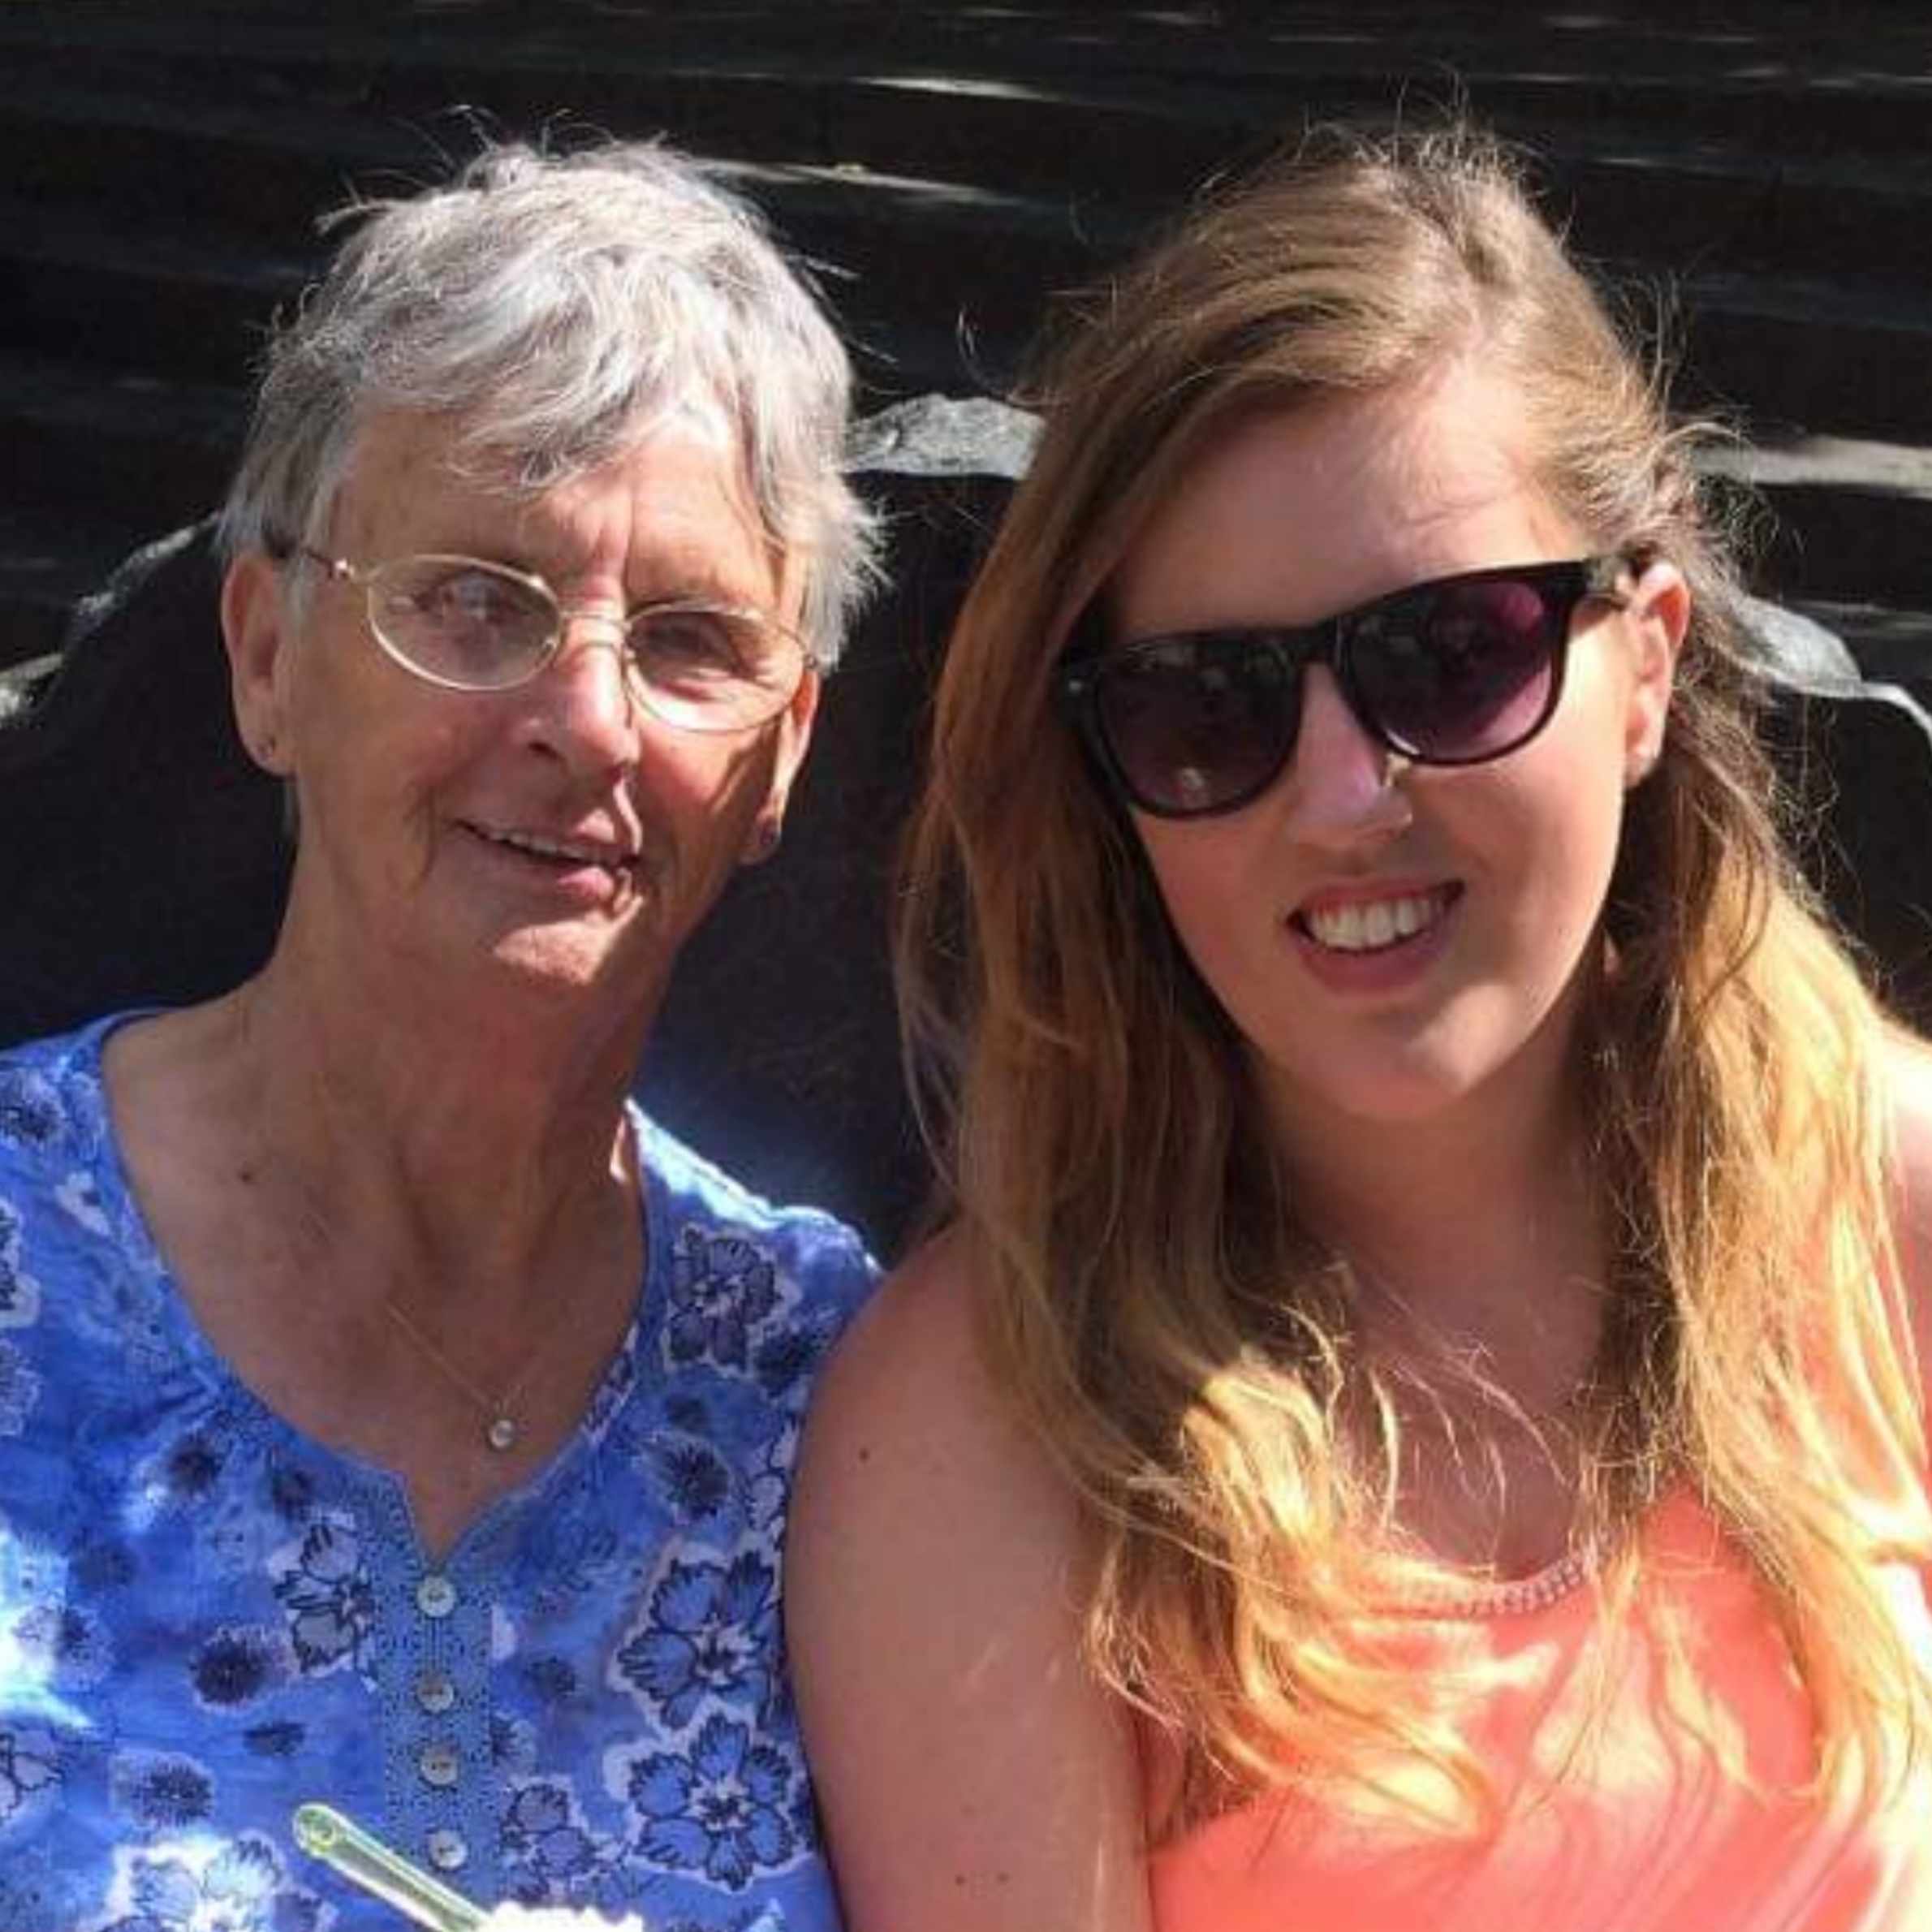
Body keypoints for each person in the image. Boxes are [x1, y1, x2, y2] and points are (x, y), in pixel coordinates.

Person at [787, 125, 1932, 1930]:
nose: (1337, 798)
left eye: (1450, 652)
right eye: (1204, 707)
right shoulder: (980, 1434)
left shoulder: (1888, 1204)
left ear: (1641, 665)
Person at [0, 140, 881, 1930]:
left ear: (781, 756)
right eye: (475, 598)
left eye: (694, 638)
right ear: (266, 657)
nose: (585, 716)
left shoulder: (831, 1390)